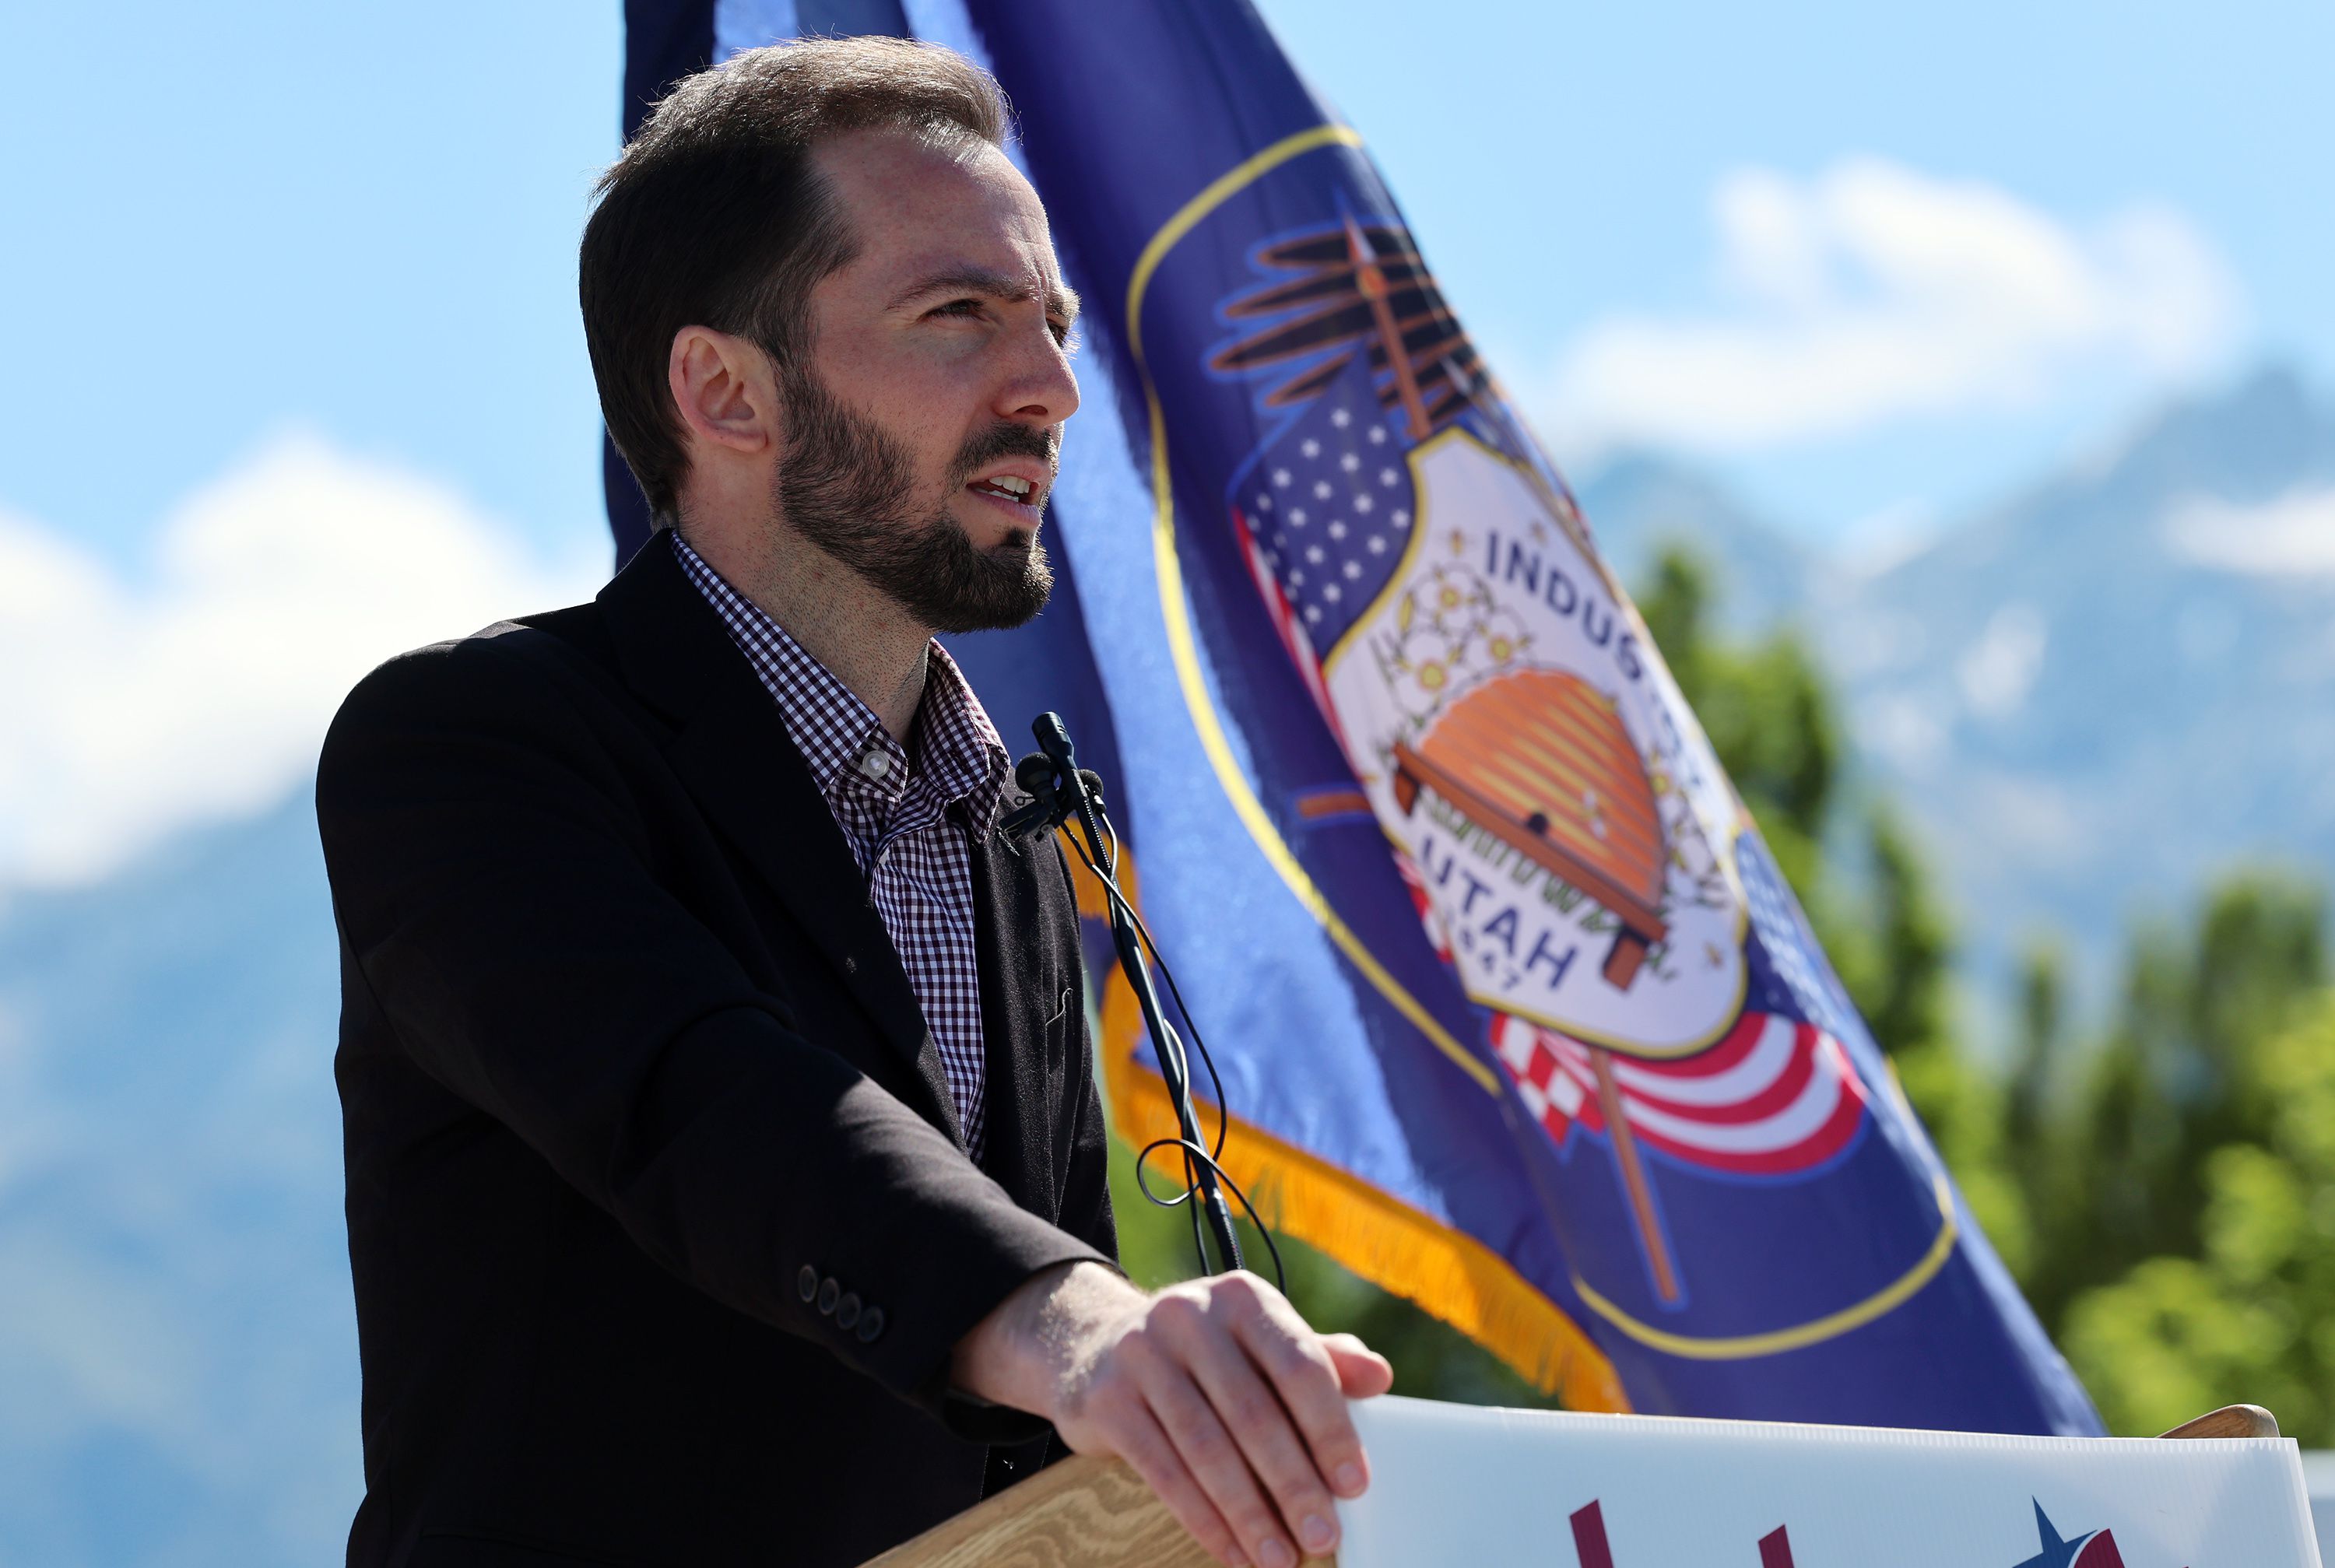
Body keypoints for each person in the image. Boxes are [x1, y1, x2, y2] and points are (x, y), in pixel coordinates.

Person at [316, 35, 1392, 1568]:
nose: (1053, 388)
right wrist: (1078, 1324)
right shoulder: (467, 749)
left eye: (1055, 323)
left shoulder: (1013, 832)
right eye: (959, 316)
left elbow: (1021, 1443)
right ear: (725, 391)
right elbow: (704, 1100)